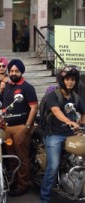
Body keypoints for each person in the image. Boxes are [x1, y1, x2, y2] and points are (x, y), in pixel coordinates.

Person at [40, 66, 85, 203]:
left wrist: (81, 124)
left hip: (71, 134)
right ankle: (45, 198)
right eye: (67, 79)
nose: (70, 82)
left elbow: (84, 111)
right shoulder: (53, 95)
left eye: (73, 79)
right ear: (62, 80)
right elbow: (56, 111)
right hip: (54, 134)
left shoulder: (75, 97)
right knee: (53, 166)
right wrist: (69, 121)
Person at [2, 59, 38, 197]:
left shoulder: (27, 87)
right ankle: (14, 181)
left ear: (21, 72)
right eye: (11, 70)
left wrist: (27, 126)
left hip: (21, 127)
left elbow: (34, 107)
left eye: (16, 71)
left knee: (22, 157)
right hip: (7, 127)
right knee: (11, 156)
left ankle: (23, 184)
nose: (14, 73)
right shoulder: (7, 86)